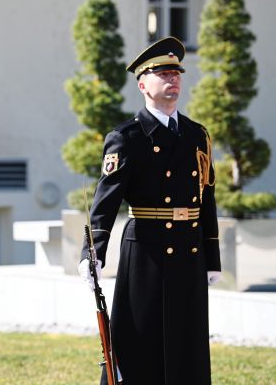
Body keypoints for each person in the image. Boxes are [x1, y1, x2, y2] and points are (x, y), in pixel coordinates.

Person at [78, 37, 222, 385]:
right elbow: (106, 199)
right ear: (143, 84)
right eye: (163, 74)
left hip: (189, 252)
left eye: (176, 74)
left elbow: (207, 198)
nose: (173, 80)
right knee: (139, 340)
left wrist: (213, 257)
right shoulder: (127, 137)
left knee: (187, 342)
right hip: (146, 252)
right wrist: (92, 251)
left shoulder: (196, 135)